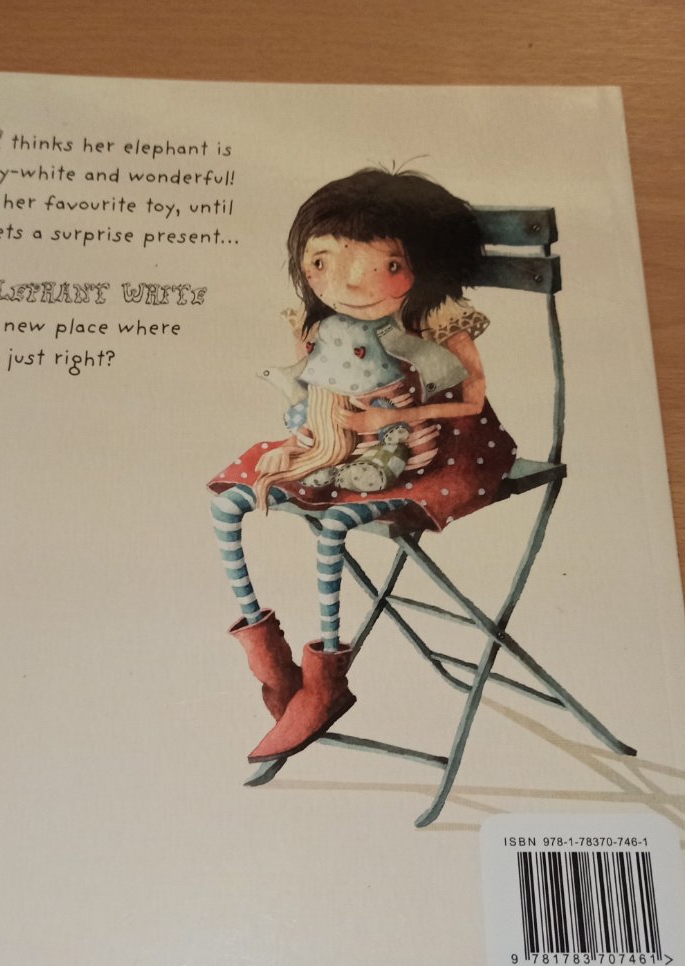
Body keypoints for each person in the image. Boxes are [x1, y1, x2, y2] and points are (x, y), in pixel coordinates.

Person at [208, 168, 518, 763]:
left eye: (386, 265)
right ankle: (275, 670)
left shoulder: (439, 324)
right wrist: (304, 433)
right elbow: (313, 389)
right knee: (230, 502)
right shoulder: (325, 325)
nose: (348, 284)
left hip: (443, 449)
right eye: (322, 262)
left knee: (334, 526)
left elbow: (472, 403)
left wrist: (391, 418)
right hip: (342, 442)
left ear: (424, 267)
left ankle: (327, 680)